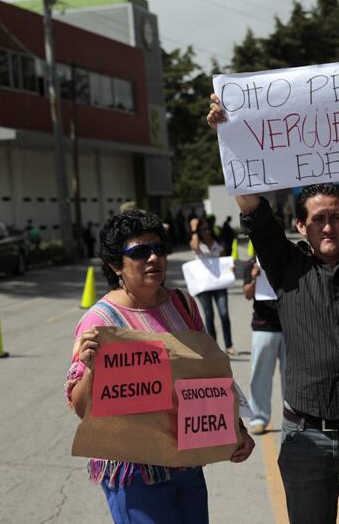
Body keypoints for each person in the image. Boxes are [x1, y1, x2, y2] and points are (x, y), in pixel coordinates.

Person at [207, 72, 339, 524]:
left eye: (335, 217)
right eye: (317, 219)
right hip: (305, 438)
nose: (327, 226)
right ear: (300, 226)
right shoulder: (286, 266)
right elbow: (253, 209)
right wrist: (229, 136)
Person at [65, 209, 254, 524]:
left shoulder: (183, 304)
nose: (153, 258)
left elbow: (209, 374)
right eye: (140, 252)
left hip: (186, 462)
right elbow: (81, 408)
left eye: (159, 248)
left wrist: (237, 429)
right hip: (134, 473)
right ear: (115, 264)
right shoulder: (100, 321)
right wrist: (92, 369)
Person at [242, 257, 286, 435]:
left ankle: (294, 419)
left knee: (293, 377)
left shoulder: (289, 258)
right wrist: (254, 278)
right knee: (260, 376)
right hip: (264, 326)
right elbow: (247, 294)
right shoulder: (251, 264)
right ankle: (259, 418)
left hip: (290, 326)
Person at [190, 217, 236, 355]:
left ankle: (229, 345)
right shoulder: (198, 244)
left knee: (224, 313)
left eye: (208, 228)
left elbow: (223, 262)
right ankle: (213, 346)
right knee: (209, 314)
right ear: (199, 232)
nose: (207, 231)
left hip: (219, 284)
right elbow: (194, 247)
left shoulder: (218, 243)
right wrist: (194, 229)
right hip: (204, 286)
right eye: (203, 229)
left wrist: (230, 269)